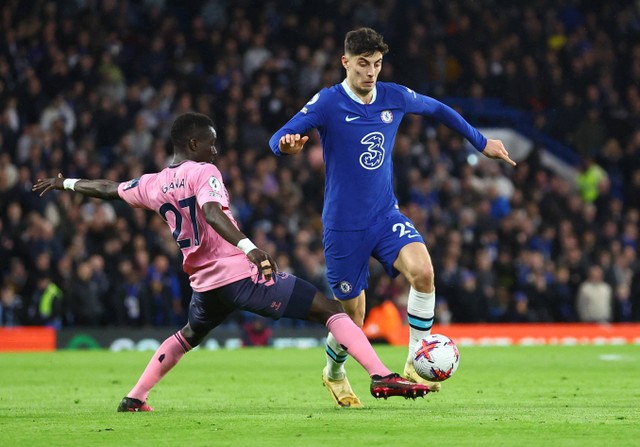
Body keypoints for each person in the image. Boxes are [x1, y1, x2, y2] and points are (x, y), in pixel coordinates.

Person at [32, 112, 430, 412]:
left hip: (204, 283)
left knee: (188, 335)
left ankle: (135, 397)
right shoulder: (203, 171)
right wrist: (249, 247)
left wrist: (64, 183)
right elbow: (210, 210)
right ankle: (381, 375)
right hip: (241, 274)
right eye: (210, 143)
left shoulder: (152, 183)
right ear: (192, 144)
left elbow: (107, 189)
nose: (216, 150)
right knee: (329, 310)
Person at [269, 27, 516, 407]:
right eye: (363, 64)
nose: (371, 73)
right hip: (343, 227)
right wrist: (288, 146)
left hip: (385, 215)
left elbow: (438, 108)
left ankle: (417, 362)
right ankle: (333, 371)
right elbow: (279, 138)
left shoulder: (393, 96)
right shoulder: (327, 103)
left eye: (377, 64)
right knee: (353, 315)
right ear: (346, 62)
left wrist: (482, 142)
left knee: (424, 271)